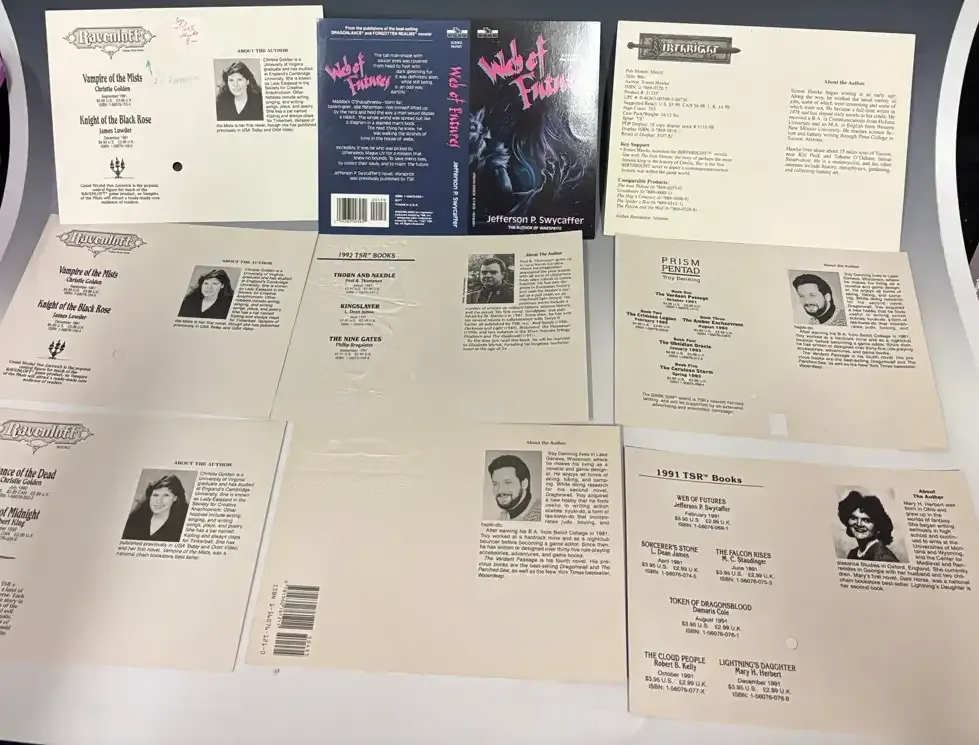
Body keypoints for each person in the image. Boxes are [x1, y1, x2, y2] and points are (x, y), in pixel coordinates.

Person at [122, 474, 190, 542]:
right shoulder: (134, 521)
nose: (159, 501)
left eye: (166, 495)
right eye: (155, 495)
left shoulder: (183, 526)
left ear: (175, 498)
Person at [837, 490, 900, 562]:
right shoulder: (853, 554)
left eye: (866, 520)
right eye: (854, 518)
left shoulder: (884, 558)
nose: (859, 524)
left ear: (878, 525)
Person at [488, 454, 540, 521]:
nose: (500, 490)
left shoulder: (540, 514)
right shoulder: (504, 517)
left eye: (507, 482)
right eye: (495, 484)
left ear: (524, 484)